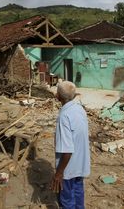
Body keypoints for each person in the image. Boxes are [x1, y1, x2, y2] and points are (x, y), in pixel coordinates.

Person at [50, 81, 90, 209]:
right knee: (78, 194)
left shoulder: (64, 116)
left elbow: (67, 150)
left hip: (68, 168)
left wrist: (59, 173)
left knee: (67, 201)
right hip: (80, 164)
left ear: (58, 97)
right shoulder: (80, 109)